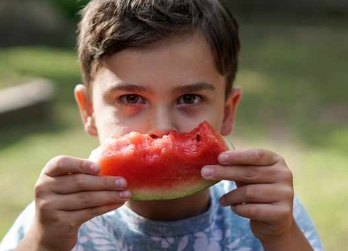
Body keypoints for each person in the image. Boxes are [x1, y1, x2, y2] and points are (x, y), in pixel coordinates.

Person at [0, 0, 325, 250]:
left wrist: (281, 237)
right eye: (130, 99)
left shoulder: (267, 212)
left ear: (227, 112)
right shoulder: (53, 219)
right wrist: (43, 243)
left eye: (189, 99)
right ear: (89, 111)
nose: (161, 127)